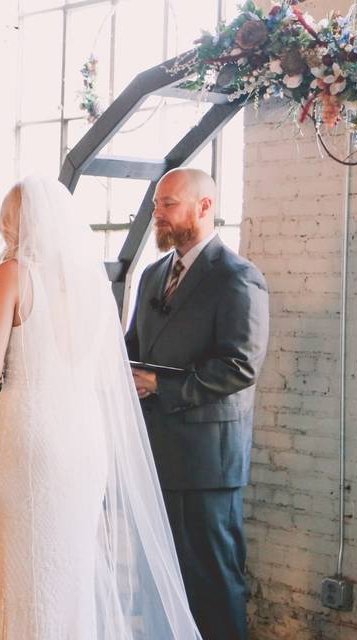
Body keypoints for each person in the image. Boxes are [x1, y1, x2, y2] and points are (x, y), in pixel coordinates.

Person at [0, 176, 201, 639]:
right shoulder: (92, 284)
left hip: (30, 435)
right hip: (83, 437)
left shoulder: (13, 274)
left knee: (24, 571)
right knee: (71, 570)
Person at [126, 168, 269, 640]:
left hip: (207, 462)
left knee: (212, 583)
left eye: (168, 204)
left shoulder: (237, 277)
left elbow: (240, 365)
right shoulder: (151, 275)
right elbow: (131, 348)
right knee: (158, 584)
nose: (157, 215)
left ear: (204, 207)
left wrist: (159, 387)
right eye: (155, 206)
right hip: (155, 454)